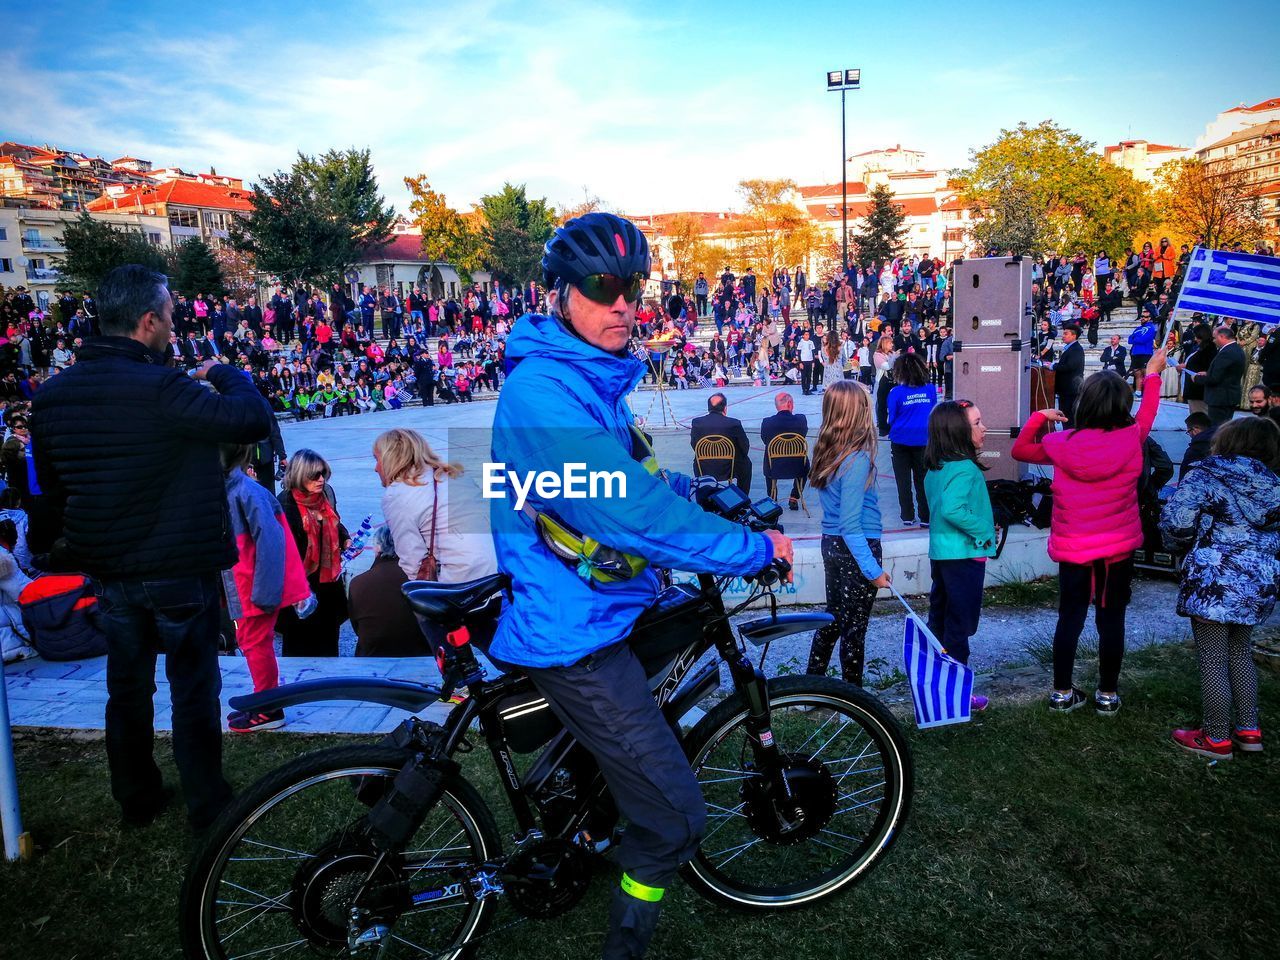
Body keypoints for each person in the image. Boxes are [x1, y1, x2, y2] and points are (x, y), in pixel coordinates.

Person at [489, 212, 792, 958]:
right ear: (561, 293)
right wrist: (749, 549)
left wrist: (701, 488)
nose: (624, 302)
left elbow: (634, 478)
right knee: (674, 820)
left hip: (601, 605)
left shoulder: (587, 376)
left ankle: (586, 820)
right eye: (604, 286)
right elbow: (625, 511)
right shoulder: (545, 393)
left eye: (634, 286)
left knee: (617, 750)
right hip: (575, 631)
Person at [29, 263, 273, 831]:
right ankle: (206, 802)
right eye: (168, 317)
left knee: (127, 683)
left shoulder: (54, 395)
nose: (172, 326)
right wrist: (223, 371)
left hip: (109, 564)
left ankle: (136, 796)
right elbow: (252, 418)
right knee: (192, 684)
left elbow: (53, 487)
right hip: (176, 564)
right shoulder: (162, 388)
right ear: (146, 321)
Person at [1011, 350, 1167, 716]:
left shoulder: (1061, 444)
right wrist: (1154, 374)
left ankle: (1062, 692)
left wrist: (1038, 417)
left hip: (1074, 547)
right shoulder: (1133, 437)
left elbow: (1019, 450)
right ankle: (1108, 694)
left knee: (1070, 618)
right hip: (1117, 549)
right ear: (1121, 406)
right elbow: (1149, 412)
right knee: (1111, 619)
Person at [1162, 417, 1280, 759]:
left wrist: (1181, 547)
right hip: (1258, 581)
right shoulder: (1274, 483)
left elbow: (1177, 522)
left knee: (1213, 659)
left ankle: (1215, 738)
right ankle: (1249, 731)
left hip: (1213, 579)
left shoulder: (1207, 474)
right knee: (1240, 653)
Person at [219, 443, 311, 732]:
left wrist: (266, 593)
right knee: (251, 644)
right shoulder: (230, 487)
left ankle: (269, 709)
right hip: (243, 583)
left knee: (256, 645)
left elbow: (272, 546)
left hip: (253, 586)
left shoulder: (247, 491)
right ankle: (263, 699)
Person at [806, 381, 888, 685]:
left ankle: (812, 685)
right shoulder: (856, 459)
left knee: (834, 618)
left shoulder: (828, 452)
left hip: (832, 545)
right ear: (857, 414)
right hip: (856, 546)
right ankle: (854, 698)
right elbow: (851, 524)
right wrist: (873, 569)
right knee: (854, 628)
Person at [924, 400, 997, 712]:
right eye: (977, 423)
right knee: (960, 625)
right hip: (964, 555)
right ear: (958, 432)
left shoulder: (937, 468)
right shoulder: (965, 469)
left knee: (941, 620)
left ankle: (938, 686)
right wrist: (983, 529)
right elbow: (954, 510)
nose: (984, 429)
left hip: (942, 553)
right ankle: (958, 695)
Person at [374, 427, 497, 588]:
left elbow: (412, 561)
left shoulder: (397, 494)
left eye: (377, 459)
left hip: (465, 583)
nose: (376, 468)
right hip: (500, 571)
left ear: (390, 458)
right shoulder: (452, 474)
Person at [275, 449, 350, 657]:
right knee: (299, 647)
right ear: (300, 476)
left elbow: (335, 522)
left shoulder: (325, 495)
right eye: (315, 475)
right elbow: (283, 555)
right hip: (301, 588)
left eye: (323, 474)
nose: (321, 480)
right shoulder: (285, 504)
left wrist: (345, 539)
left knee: (329, 647)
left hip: (328, 586)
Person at [349, 524, 432, 658]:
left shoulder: (358, 583)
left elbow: (357, 627)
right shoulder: (422, 580)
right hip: (419, 654)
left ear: (377, 548)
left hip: (373, 655)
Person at [887, 353, 937, 527]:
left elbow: (891, 417)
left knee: (903, 480)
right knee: (923, 479)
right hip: (924, 440)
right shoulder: (930, 389)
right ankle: (926, 516)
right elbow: (932, 411)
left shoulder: (896, 392)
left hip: (900, 440)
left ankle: (907, 515)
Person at [689, 393, 753, 493]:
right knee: (746, 464)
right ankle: (742, 498)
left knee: (696, 461)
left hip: (704, 466)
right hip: (729, 467)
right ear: (725, 408)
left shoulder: (697, 423)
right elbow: (744, 447)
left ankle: (704, 495)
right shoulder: (733, 423)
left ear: (708, 408)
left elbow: (694, 445)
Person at [760, 391, 809, 509]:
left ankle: (773, 497)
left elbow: (765, 440)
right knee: (805, 463)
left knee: (769, 454)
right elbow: (803, 435)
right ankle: (794, 496)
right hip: (797, 465)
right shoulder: (801, 420)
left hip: (774, 466)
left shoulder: (767, 422)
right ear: (790, 403)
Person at [1198, 326, 1246, 427]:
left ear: (1222, 336)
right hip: (1227, 396)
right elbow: (1226, 372)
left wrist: (1197, 378)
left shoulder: (1227, 352)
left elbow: (1214, 379)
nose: (1214, 341)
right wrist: (1208, 373)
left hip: (1221, 398)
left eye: (1215, 338)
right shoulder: (1236, 349)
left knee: (1217, 429)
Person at [1053, 324, 1086, 427]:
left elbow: (1070, 366)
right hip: (1066, 389)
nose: (1063, 336)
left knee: (1069, 417)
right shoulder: (1070, 348)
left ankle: (1069, 438)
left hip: (1071, 389)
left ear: (1074, 336)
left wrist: (1053, 366)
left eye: (1066, 334)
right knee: (1066, 415)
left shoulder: (1076, 349)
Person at [1180, 412, 1217, 481]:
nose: (1190, 435)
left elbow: (1183, 478)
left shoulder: (1194, 451)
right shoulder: (1224, 442)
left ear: (1195, 430)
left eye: (1188, 432)